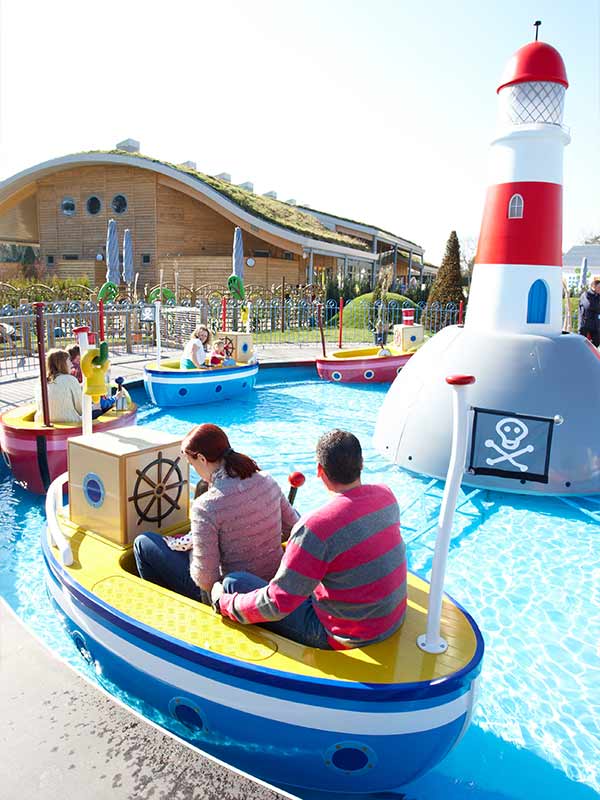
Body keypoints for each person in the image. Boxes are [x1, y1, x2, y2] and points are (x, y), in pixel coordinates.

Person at [212, 429, 407, 650]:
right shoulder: (386, 495)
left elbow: (277, 604)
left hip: (343, 635)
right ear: (361, 463)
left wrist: (226, 603)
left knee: (234, 582)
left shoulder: (315, 527)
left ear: (319, 470)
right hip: (391, 619)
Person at [133, 424, 299, 604]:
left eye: (192, 464)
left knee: (143, 543)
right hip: (272, 583)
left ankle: (163, 607)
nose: (195, 470)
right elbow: (294, 528)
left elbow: (205, 580)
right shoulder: (267, 480)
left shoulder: (206, 506)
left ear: (202, 459)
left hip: (232, 596)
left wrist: (193, 549)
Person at [35, 348, 82, 423]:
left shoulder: (41, 381)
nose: (71, 364)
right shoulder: (70, 379)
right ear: (62, 363)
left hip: (43, 421)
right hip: (68, 422)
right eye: (69, 361)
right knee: (98, 410)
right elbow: (81, 409)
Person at [579, 279, 600, 347]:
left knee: (596, 343)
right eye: (599, 287)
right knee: (582, 344)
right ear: (593, 286)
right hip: (585, 324)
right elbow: (589, 305)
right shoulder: (586, 294)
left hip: (596, 324)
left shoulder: (598, 296)